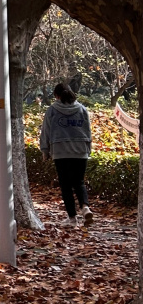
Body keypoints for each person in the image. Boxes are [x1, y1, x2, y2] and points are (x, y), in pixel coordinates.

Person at [40, 83, 93, 227]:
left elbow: (46, 131)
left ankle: (72, 218)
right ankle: (85, 207)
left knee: (65, 185)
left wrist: (45, 150)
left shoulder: (52, 110)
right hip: (80, 149)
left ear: (56, 96)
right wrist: (88, 148)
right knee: (79, 182)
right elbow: (88, 131)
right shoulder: (82, 109)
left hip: (60, 149)